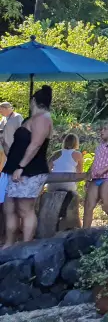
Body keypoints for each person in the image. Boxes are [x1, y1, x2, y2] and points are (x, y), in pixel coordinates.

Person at [2, 86, 54, 247]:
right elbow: (20, 145)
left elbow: (36, 144)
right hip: (12, 168)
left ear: (33, 100)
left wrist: (21, 166)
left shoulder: (43, 118)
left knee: (25, 209)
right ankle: (9, 244)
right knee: (9, 207)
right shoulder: (30, 119)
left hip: (30, 171)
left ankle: (26, 246)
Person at [0, 102, 24, 169]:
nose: (0, 112)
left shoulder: (17, 117)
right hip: (5, 148)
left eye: (0, 110)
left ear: (6, 109)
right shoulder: (4, 118)